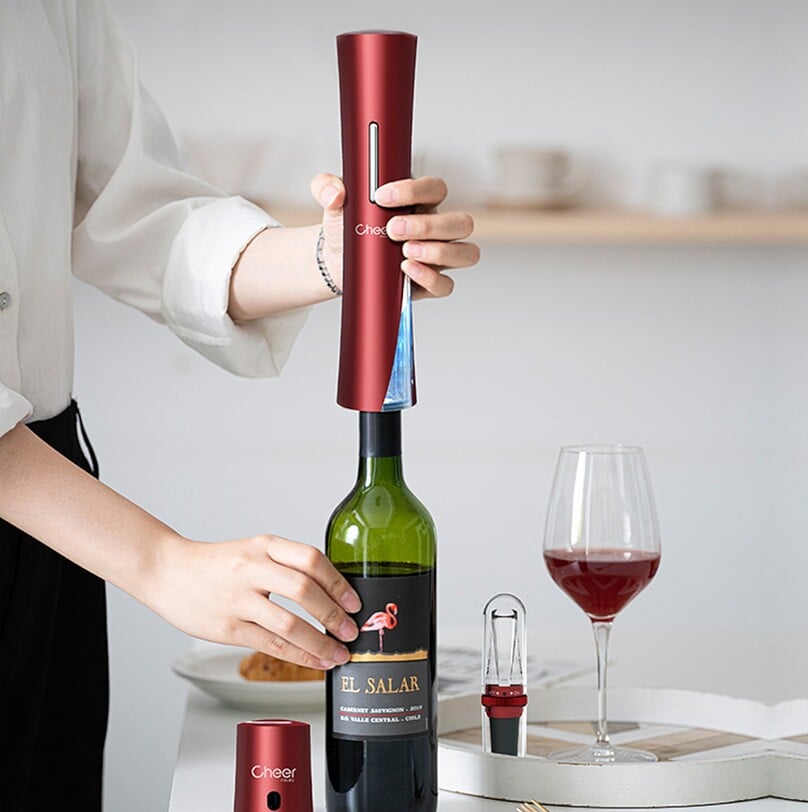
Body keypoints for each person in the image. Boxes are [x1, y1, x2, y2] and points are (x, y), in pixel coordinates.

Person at [0, 2, 479, 809]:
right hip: (62, 510)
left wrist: (335, 256)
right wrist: (158, 560)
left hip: (56, 516)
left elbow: (140, 214)